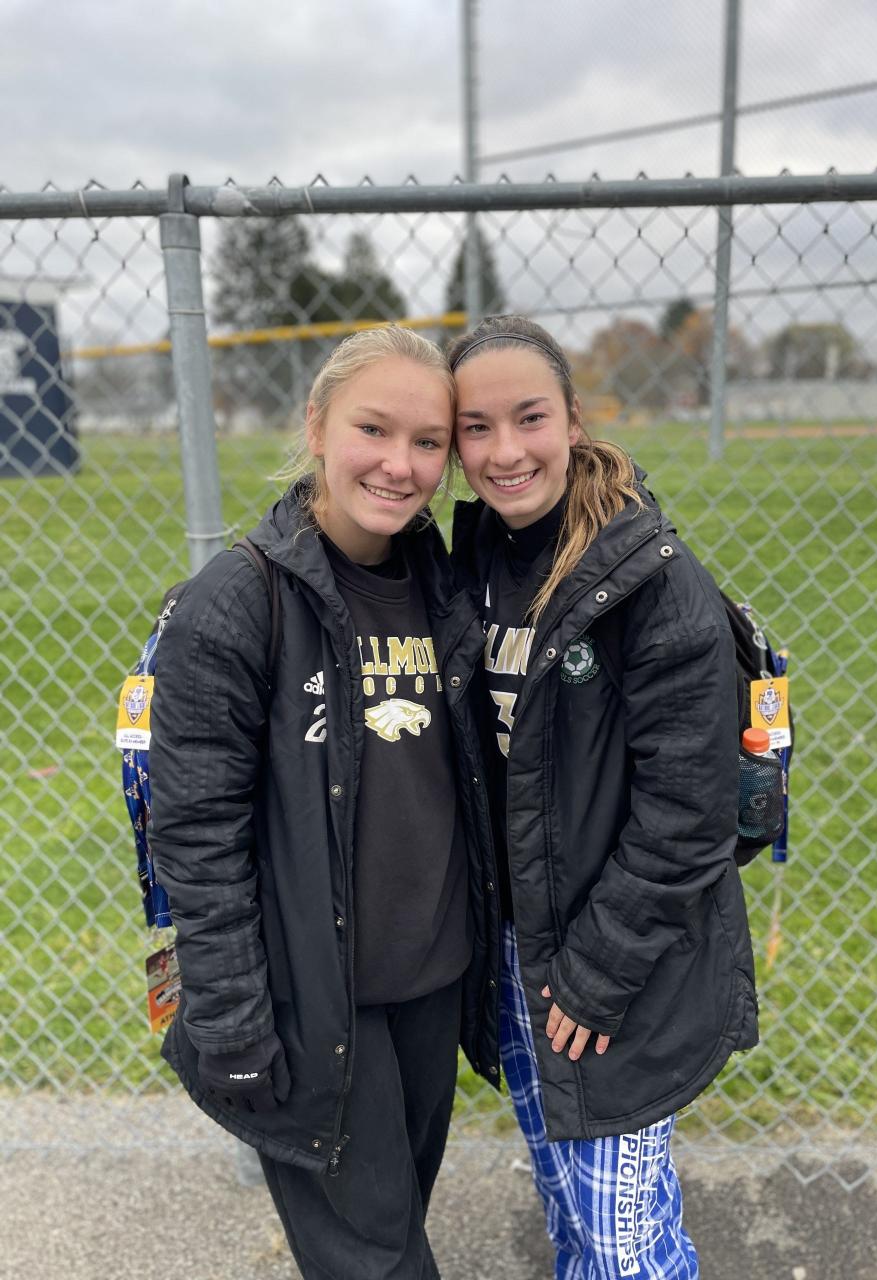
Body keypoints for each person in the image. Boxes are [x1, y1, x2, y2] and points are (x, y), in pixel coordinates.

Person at [148, 325, 500, 1280]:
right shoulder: (238, 601)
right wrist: (228, 1022)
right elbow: (197, 837)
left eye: (428, 442)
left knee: (392, 1225)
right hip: (312, 1003)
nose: (400, 464)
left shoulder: (447, 586)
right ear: (316, 424)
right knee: (378, 1261)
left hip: (431, 984)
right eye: (373, 430)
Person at [448, 315, 759, 1280]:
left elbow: (689, 814)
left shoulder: (653, 583)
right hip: (515, 948)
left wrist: (595, 973)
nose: (505, 452)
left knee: (626, 1246)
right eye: (475, 428)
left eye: (529, 417)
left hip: (614, 962)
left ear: (574, 420)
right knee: (573, 1213)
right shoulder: (475, 563)